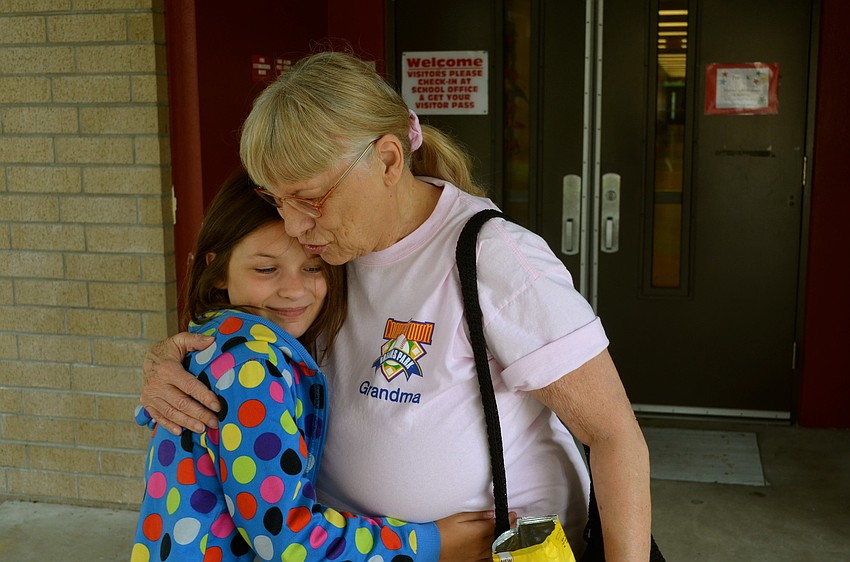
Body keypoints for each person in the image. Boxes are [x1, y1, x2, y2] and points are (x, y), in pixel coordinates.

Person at [140, 51, 652, 561]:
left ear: (387, 160)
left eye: (309, 199)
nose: (294, 228)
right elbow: (254, 340)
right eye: (277, 200)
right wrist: (177, 361)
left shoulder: (492, 257)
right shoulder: (326, 255)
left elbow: (613, 435)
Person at [131, 171, 501, 562]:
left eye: (312, 268)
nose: (293, 290)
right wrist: (430, 544)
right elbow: (286, 538)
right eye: (266, 269)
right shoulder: (251, 366)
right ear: (218, 269)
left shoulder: (219, 342)